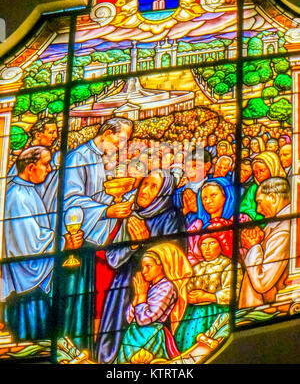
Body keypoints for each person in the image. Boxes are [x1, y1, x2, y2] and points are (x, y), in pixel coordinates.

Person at [60, 117, 134, 353]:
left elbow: (93, 197)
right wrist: (107, 210)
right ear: (106, 133)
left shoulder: (98, 159)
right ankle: (76, 347)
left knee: (91, 301)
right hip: (79, 241)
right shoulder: (77, 158)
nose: (123, 145)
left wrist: (116, 199)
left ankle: (89, 346)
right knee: (79, 301)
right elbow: (70, 201)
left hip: (95, 239)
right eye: (121, 139)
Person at [95, 169, 182, 364]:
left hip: (154, 287)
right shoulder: (131, 215)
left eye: (154, 187)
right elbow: (113, 258)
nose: (145, 191)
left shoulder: (171, 218)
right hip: (123, 285)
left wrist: (146, 242)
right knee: (114, 337)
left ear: (164, 193)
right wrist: (133, 245)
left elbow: (173, 258)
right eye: (145, 184)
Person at [1, 146, 82, 341]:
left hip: (32, 288)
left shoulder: (26, 190)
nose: (50, 168)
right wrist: (64, 242)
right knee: (31, 337)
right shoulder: (17, 196)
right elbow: (28, 244)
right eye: (45, 164)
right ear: (30, 168)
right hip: (25, 290)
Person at [115, 242, 193, 364]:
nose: (144, 271)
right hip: (134, 337)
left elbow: (145, 319)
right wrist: (138, 297)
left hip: (152, 338)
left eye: (148, 266)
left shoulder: (167, 287)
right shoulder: (149, 287)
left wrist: (141, 296)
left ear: (162, 265)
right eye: (143, 267)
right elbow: (130, 318)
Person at [175, 233, 242, 352]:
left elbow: (235, 292)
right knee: (183, 337)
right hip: (192, 312)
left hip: (217, 310)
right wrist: (187, 296)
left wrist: (209, 296)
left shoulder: (229, 265)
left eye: (212, 243)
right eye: (203, 244)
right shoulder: (196, 268)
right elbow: (187, 288)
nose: (207, 248)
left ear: (222, 245)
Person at [239, 177, 291, 308]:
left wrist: (253, 246)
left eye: (260, 202)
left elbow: (262, 282)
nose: (258, 210)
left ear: (273, 198)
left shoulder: (283, 231)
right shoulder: (275, 225)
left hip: (267, 310)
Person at [240, 151, 286, 222]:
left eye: (262, 171)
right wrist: (250, 217)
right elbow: (244, 207)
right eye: (255, 172)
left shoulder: (282, 187)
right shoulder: (254, 188)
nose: (258, 175)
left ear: (272, 168)